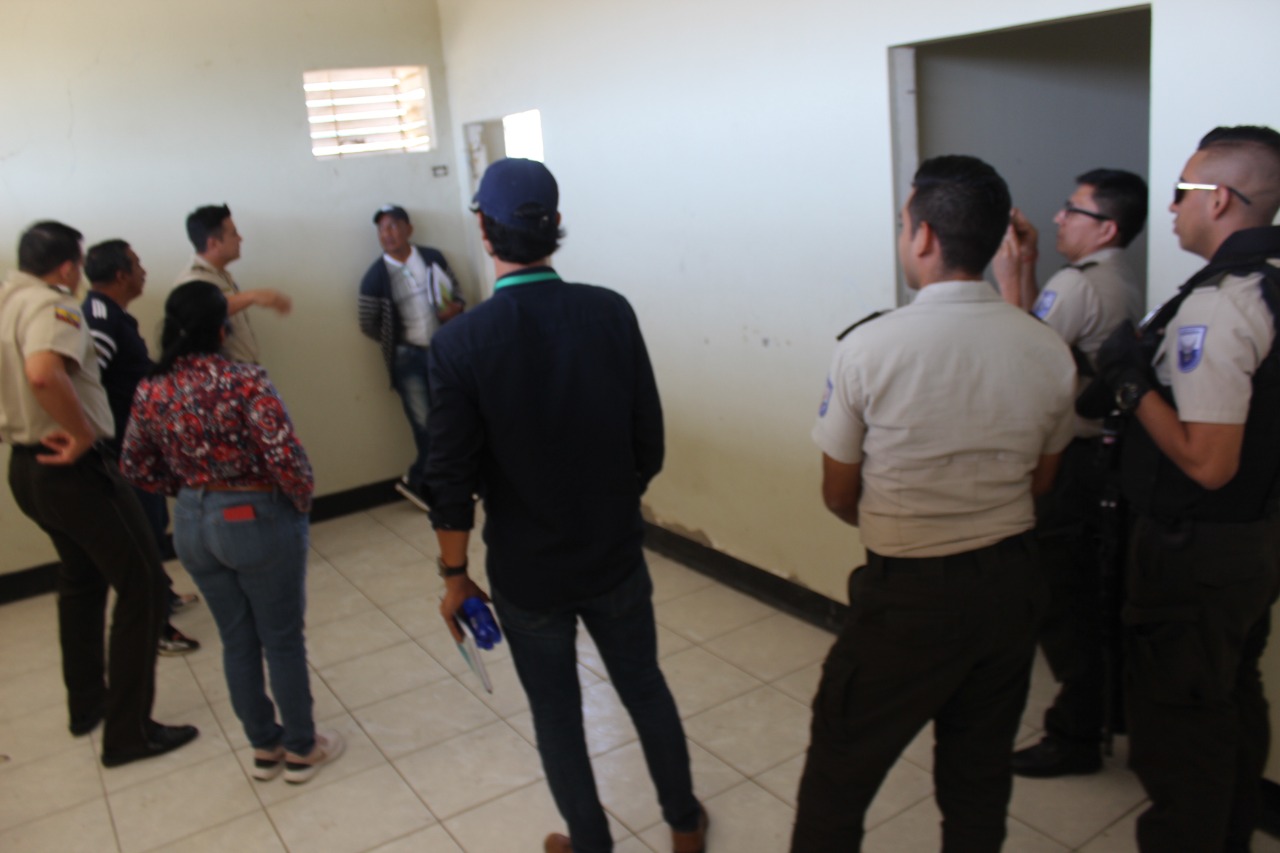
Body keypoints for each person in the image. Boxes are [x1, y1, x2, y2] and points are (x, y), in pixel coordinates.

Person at [791, 156, 1077, 852]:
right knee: (978, 779)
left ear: (922, 237)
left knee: (839, 779)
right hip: (1011, 587)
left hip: (909, 598)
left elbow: (838, 494)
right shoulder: (1048, 350)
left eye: (903, 224)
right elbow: (1042, 482)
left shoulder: (869, 347)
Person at [423, 158, 705, 853]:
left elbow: (449, 479)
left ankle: (591, 841)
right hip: (613, 554)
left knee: (556, 713)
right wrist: (608, 503)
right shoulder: (609, 312)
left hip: (528, 572)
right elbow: (648, 442)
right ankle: (684, 826)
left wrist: (455, 576)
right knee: (645, 686)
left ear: (484, 231)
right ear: (555, 224)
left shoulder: (460, 343)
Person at [1082, 125, 1280, 852]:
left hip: (1197, 550)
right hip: (1255, 537)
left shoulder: (1223, 303)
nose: (1169, 208)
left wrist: (1131, 383)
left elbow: (1207, 461)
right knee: (1229, 696)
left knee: (1177, 726)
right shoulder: (1270, 282)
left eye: (1180, 191)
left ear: (1219, 198)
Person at [120, 280, 341, 784]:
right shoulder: (245, 380)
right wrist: (297, 503)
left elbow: (134, 464)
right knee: (281, 639)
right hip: (252, 515)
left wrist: (187, 493)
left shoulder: (152, 387)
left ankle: (265, 747)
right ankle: (302, 748)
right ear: (222, 329)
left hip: (191, 524)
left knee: (236, 639)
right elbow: (286, 457)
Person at [0, 220, 198, 767]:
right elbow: (44, 373)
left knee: (81, 580)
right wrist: (84, 433)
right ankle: (129, 733)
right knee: (143, 586)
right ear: (68, 267)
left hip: (27, 467)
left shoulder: (7, 301)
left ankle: (88, 704)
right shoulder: (54, 306)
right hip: (73, 469)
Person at [991, 169, 1149, 777]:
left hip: (1075, 465)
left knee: (1066, 603)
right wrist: (1029, 269)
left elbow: (1023, 360)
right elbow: (1046, 338)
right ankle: (1106, 713)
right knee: (1089, 595)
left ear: (1106, 227)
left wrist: (1009, 277)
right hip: (1104, 460)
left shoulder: (1078, 284)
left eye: (1072, 209)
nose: (1058, 217)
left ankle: (1076, 735)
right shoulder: (1115, 276)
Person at [83, 238, 202, 656]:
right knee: (144, 534)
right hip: (124, 449)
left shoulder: (114, 315)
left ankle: (163, 594)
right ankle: (157, 627)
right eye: (136, 264)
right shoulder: (100, 318)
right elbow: (87, 377)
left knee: (154, 523)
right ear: (121, 275)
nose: (143, 270)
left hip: (139, 444)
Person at [358, 204, 464, 505]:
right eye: (381, 229)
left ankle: (441, 482)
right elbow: (367, 323)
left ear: (408, 229)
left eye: (392, 226)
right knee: (425, 425)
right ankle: (422, 482)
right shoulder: (375, 276)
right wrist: (394, 340)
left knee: (451, 419)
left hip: (443, 352)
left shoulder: (432, 258)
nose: (387, 234)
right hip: (407, 360)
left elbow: (456, 293)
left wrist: (455, 308)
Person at [177, 204, 291, 364]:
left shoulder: (219, 275)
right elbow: (205, 310)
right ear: (214, 244)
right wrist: (252, 296)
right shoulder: (193, 279)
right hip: (223, 374)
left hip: (241, 369)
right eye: (234, 234)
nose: (240, 239)